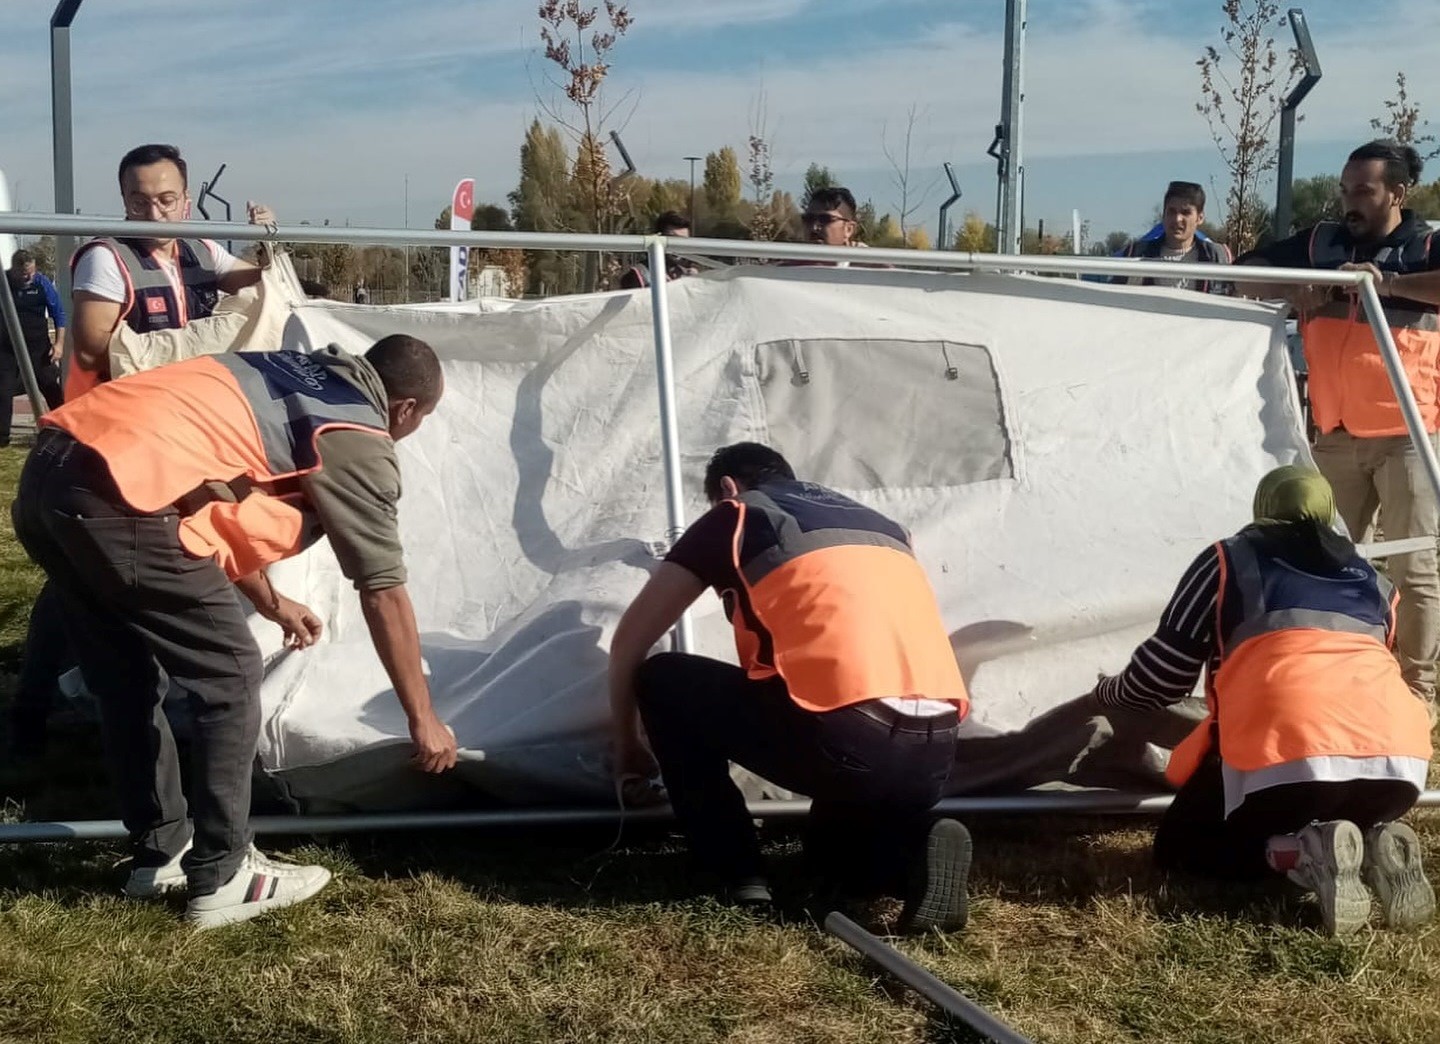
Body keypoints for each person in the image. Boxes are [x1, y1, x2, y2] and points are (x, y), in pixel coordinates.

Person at [12, 335, 458, 927]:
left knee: (123, 675)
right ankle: (224, 874)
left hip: (51, 470)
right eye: (421, 420)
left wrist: (272, 602)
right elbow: (383, 590)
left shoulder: (284, 373)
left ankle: (161, 852)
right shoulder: (354, 435)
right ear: (406, 409)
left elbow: (204, 500)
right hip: (115, 496)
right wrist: (422, 716)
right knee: (231, 674)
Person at [608, 442, 972, 931]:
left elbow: (631, 639)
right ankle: (916, 851)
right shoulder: (883, 525)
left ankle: (735, 869)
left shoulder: (735, 515)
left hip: (846, 736)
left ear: (727, 488)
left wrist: (626, 743)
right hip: (934, 752)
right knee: (827, 859)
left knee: (663, 678)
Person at [1093, 466, 1434, 936]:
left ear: (1262, 508)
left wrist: (1107, 691)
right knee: (1333, 806)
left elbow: (1161, 680)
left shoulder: (1227, 560)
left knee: (1183, 848)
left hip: (1288, 758)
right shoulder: (1376, 583)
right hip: (1401, 767)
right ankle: (1375, 843)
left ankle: (1300, 853)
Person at [1238, 140, 1440, 714]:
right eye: (1346, 189)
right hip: (1336, 432)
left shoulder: (1426, 244)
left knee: (1414, 566)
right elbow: (1243, 272)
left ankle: (1415, 692)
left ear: (1398, 193)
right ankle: (1339, 674)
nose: (1350, 201)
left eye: (1364, 190)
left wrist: (1385, 284)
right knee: (1324, 563)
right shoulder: (1319, 242)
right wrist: (1295, 287)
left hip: (1411, 433)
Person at [67, 142, 275, 400]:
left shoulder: (203, 250)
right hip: (120, 410)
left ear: (185, 201)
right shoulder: (104, 258)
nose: (154, 215)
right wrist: (187, 353)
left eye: (166, 201)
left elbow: (269, 288)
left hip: (187, 403)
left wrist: (267, 241)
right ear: (124, 201)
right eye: (139, 203)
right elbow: (90, 355)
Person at [1113, 181, 1232, 293]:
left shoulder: (1218, 257)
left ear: (1200, 218)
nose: (1177, 219)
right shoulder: (1136, 254)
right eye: (1172, 211)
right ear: (1163, 214)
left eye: (1185, 212)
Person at [0, 249, 65, 442]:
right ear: (14, 270)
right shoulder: (3, 283)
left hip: (38, 347)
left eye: (32, 271)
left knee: (50, 385)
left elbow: (59, 314)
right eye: (25, 273)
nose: (29, 276)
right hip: (6, 348)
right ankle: (2, 437)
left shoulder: (41, 283)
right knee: (3, 390)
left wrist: (59, 344)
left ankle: (64, 425)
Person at [619, 211, 698, 289]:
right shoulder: (639, 275)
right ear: (658, 237)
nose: (678, 245)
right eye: (672, 239)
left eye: (683, 241)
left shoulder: (687, 274)